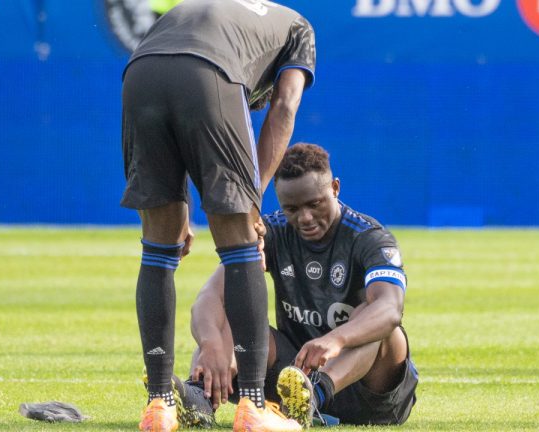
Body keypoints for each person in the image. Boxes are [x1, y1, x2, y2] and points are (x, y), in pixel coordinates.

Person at [119, 0, 316, 430]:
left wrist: (181, 209)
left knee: (159, 248)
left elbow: (182, 105)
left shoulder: (217, 15)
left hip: (140, 73)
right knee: (241, 244)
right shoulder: (299, 28)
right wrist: (253, 201)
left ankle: (159, 406)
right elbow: (283, 108)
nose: (256, 105)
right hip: (210, 74)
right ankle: (252, 407)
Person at [186, 143, 418, 427]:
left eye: (314, 204)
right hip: (292, 378)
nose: (305, 217)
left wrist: (337, 339)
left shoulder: (369, 238)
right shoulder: (272, 233)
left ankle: (312, 400)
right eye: (292, 208)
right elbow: (210, 296)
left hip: (367, 392)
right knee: (232, 321)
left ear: (334, 188)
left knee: (378, 324)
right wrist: (210, 345)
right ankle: (198, 399)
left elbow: (390, 309)